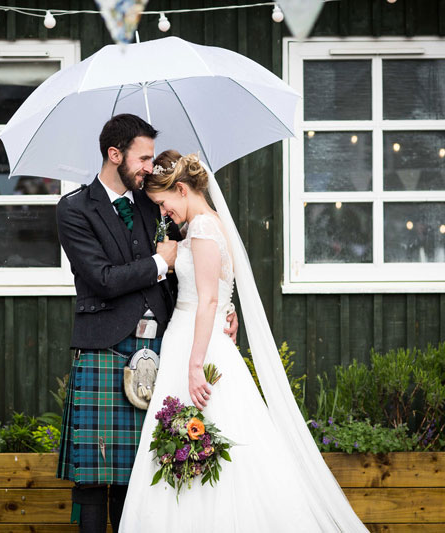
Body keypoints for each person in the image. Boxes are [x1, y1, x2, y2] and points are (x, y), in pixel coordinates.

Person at [119, 151, 369, 532]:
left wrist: (194, 364)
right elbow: (222, 290)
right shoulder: (212, 225)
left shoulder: (202, 229)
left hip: (196, 346)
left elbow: (209, 301)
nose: (164, 212)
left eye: (163, 204)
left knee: (211, 441)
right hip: (196, 339)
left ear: (182, 189)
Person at [55, 115, 237, 533]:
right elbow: (100, 279)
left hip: (162, 348)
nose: (149, 167)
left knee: (141, 471)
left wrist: (224, 304)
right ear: (114, 155)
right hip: (104, 346)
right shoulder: (74, 209)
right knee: (93, 476)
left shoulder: (152, 201)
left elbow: (200, 263)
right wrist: (159, 262)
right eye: (143, 158)